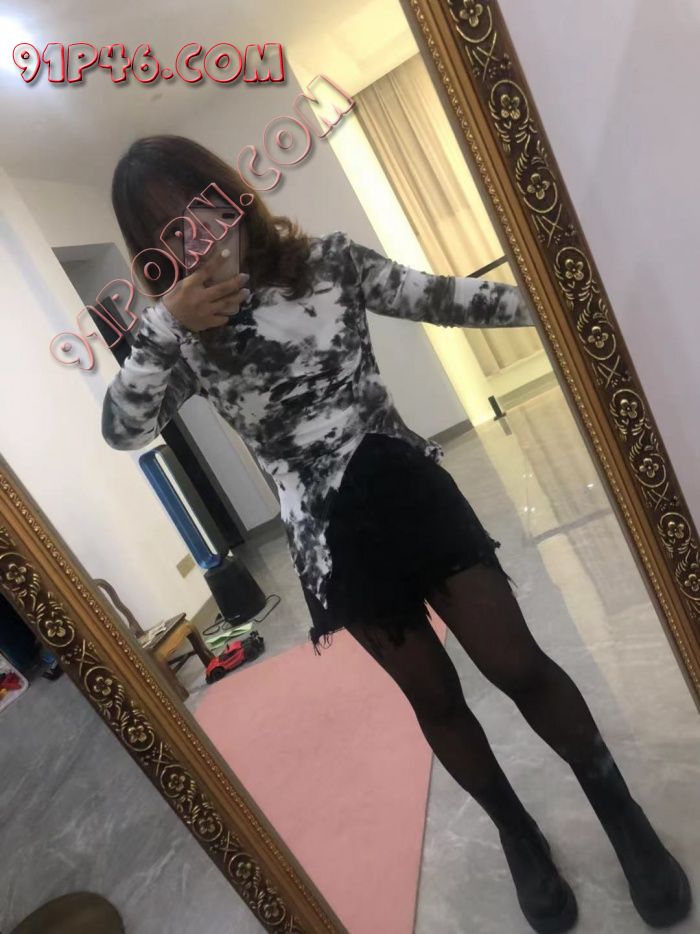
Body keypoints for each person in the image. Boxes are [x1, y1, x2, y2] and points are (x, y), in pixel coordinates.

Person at [103, 135, 690, 934]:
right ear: (156, 255)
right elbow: (125, 428)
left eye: (199, 209)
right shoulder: (184, 339)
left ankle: (621, 813)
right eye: (169, 232)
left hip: (409, 487)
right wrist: (165, 328)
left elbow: (445, 298)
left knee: (516, 661)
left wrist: (568, 295)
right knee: (435, 697)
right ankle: (517, 835)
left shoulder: (328, 262)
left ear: (230, 195)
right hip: (329, 539)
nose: (196, 238)